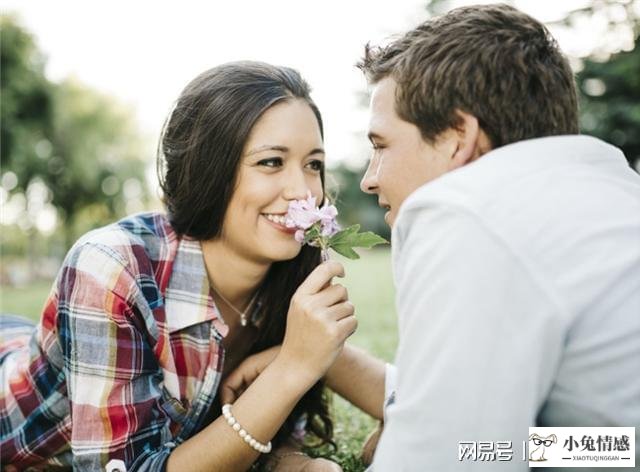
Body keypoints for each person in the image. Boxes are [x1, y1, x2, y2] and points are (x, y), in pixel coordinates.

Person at [223, 4, 640, 471]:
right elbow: (608, 445)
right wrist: (333, 366)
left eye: (380, 145)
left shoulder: (465, 213)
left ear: (457, 137)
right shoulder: (609, 192)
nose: (369, 179)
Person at [0, 61, 357, 471]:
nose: (302, 193)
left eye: (313, 164)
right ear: (209, 170)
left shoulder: (291, 267)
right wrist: (292, 367)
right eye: (271, 162)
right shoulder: (112, 267)